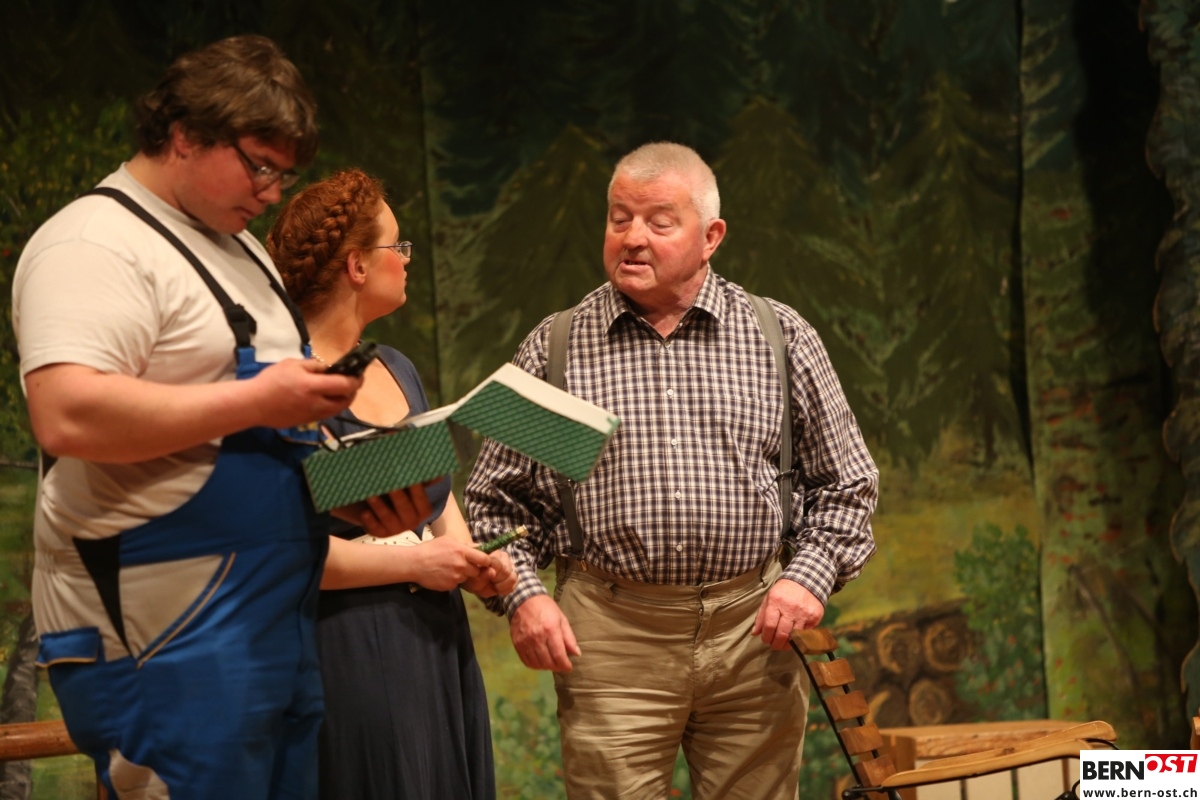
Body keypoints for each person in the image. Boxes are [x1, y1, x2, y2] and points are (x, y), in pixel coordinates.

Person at [12, 36, 431, 800]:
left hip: (269, 618)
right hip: (164, 624)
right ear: (184, 135)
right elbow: (66, 414)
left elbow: (243, 437)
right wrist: (260, 399)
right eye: (258, 166)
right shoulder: (93, 243)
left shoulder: (241, 251)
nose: (271, 193)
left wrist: (347, 499)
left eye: (283, 174)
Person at [465, 142, 879, 800]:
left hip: (753, 633)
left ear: (711, 237)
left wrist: (808, 578)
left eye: (659, 222)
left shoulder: (777, 336)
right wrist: (525, 597)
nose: (632, 238)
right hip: (612, 636)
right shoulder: (558, 347)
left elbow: (847, 483)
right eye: (619, 218)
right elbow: (496, 503)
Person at [267, 168, 515, 800]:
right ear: (356, 265)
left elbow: (435, 496)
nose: (406, 259)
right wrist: (418, 563)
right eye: (396, 246)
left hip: (432, 631)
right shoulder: (285, 384)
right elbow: (284, 551)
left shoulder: (396, 366)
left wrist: (469, 560)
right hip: (346, 638)